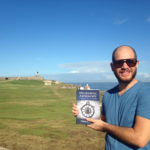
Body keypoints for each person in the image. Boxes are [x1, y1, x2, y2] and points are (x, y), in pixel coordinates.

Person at [72, 45, 150, 150]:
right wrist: (84, 112)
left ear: (137, 64)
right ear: (112, 66)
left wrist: (105, 126)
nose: (125, 66)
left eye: (130, 62)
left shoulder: (146, 93)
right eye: (119, 62)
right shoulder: (108, 95)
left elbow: (140, 139)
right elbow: (102, 122)